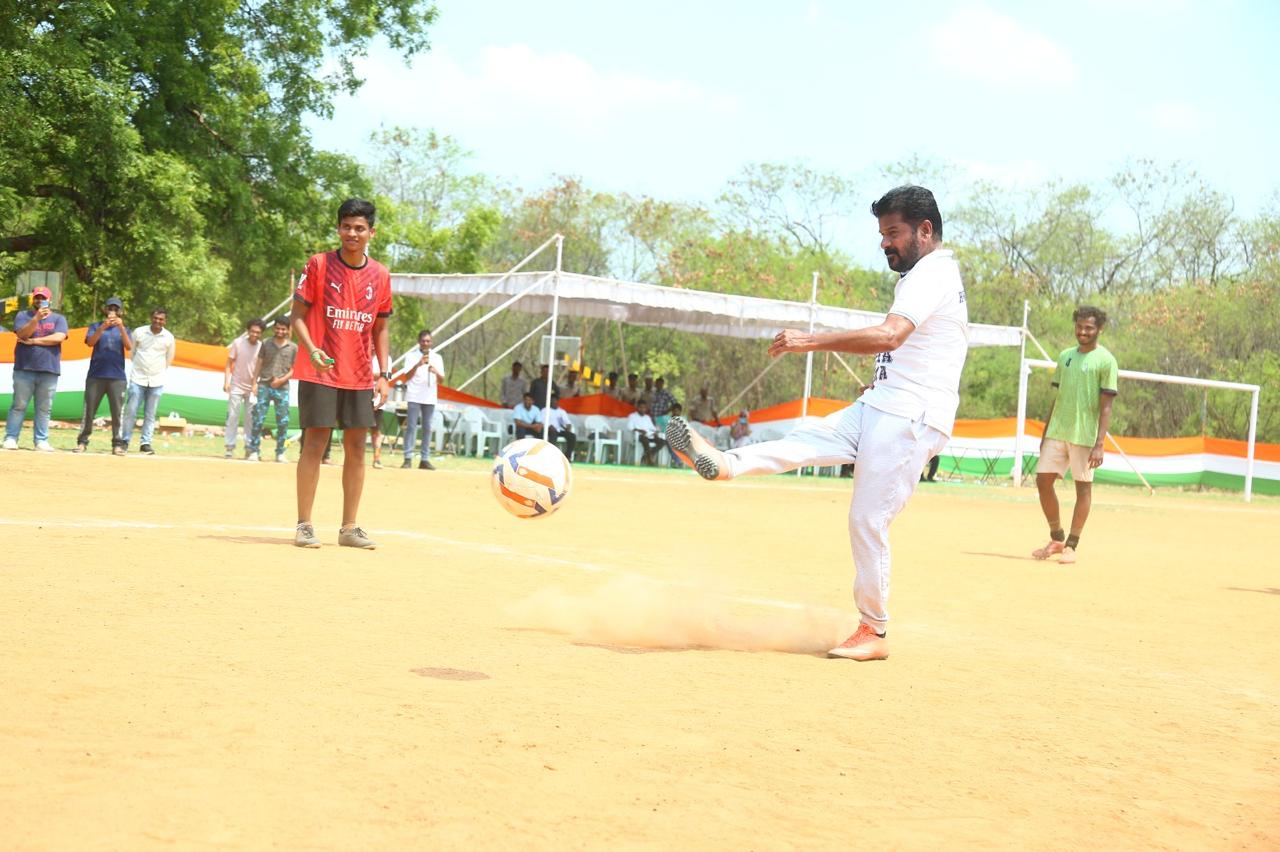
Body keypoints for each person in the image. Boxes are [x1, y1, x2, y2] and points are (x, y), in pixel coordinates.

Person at [666, 185, 967, 662]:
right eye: (882, 234)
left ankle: (874, 629)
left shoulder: (931, 274)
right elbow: (917, 349)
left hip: (911, 417)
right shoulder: (924, 275)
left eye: (893, 233)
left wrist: (811, 341)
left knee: (867, 519)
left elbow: (892, 334)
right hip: (885, 404)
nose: (885, 243)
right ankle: (722, 463)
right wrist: (880, 383)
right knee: (805, 441)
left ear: (924, 230)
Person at [290, 197, 392, 549]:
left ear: (371, 232)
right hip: (321, 371)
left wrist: (385, 373)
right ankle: (305, 524)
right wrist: (312, 350)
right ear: (338, 229)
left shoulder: (380, 275)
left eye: (359, 228)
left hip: (361, 374)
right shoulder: (318, 265)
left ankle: (349, 528)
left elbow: (380, 328)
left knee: (357, 449)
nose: (352, 233)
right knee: (315, 444)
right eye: (346, 226)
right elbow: (297, 317)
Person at [1031, 306, 1119, 565]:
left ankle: (1072, 544)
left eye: (1089, 328)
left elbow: (1106, 405)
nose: (1083, 332)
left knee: (1083, 488)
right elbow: (1058, 398)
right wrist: (1045, 432)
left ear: (1099, 329)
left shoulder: (1106, 361)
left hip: (1085, 435)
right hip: (1058, 430)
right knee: (1042, 481)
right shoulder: (1065, 356)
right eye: (1080, 326)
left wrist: (1099, 443)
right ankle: (1057, 538)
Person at [4, 286, 68, 451]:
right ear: (33, 299)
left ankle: (41, 441)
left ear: (50, 300)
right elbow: (22, 335)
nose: (40, 300)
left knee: (44, 408)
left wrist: (34, 342)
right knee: (19, 405)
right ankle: (11, 438)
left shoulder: (59, 319)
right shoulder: (22, 315)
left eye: (43, 298)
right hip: (24, 368)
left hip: (49, 369)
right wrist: (36, 319)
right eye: (37, 297)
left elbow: (59, 337)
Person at [75, 296, 132, 455]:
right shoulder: (95, 326)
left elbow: (129, 347)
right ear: (105, 310)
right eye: (110, 308)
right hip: (96, 375)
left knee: (117, 412)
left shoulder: (125, 329)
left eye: (116, 309)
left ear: (120, 312)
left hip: (117, 377)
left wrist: (121, 328)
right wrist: (102, 328)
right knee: (89, 410)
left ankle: (117, 444)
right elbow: (90, 342)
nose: (112, 312)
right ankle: (82, 441)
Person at [120, 307, 176, 455]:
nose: (158, 321)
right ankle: (125, 440)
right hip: (138, 378)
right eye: (156, 318)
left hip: (157, 380)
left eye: (161, 319)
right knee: (130, 411)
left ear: (165, 321)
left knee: (150, 414)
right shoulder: (139, 332)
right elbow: (132, 353)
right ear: (151, 318)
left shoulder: (169, 337)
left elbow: (168, 359)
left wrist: (158, 372)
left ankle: (145, 443)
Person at [248, 317, 296, 463]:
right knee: (258, 419)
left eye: (283, 329)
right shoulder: (266, 343)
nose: (280, 331)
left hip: (282, 388)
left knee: (283, 421)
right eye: (278, 328)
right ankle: (254, 451)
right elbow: (259, 363)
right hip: (264, 385)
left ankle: (280, 452)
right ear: (274, 328)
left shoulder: (293, 347)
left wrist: (281, 380)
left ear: (288, 330)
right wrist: (254, 383)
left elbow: (294, 369)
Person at [400, 328, 445, 470]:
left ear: (431, 342)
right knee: (411, 427)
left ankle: (424, 459)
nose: (426, 343)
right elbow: (406, 376)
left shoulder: (437, 358)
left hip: (430, 396)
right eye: (423, 341)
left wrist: (435, 371)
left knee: (427, 428)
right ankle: (408, 457)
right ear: (419, 342)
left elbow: (442, 380)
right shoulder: (411, 356)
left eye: (428, 341)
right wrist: (418, 364)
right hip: (414, 395)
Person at [224, 319, 264, 459]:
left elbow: (261, 367)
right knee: (233, 416)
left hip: (252, 387)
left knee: (250, 419)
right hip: (236, 385)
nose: (255, 334)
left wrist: (256, 384)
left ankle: (249, 446)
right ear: (248, 331)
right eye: (252, 331)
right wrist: (226, 381)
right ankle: (229, 447)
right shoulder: (238, 343)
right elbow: (229, 363)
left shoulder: (261, 347)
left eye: (258, 332)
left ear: (261, 334)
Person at [627, 399, 665, 465]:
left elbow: (653, 428)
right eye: (640, 407)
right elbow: (630, 427)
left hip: (649, 436)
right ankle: (649, 460)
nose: (642, 409)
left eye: (644, 408)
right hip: (639, 436)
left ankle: (647, 455)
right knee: (644, 439)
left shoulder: (647, 417)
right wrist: (640, 430)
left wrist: (655, 432)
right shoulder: (632, 416)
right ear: (637, 407)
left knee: (663, 441)